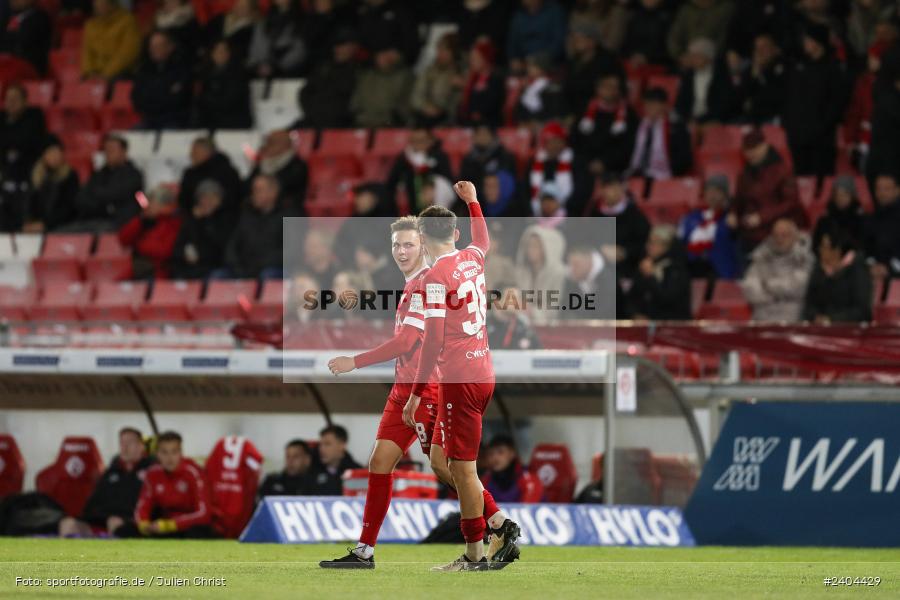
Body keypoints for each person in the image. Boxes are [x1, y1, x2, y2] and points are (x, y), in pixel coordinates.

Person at [321, 215, 509, 568]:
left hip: (425, 391)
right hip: (403, 389)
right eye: (396, 245)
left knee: (448, 467)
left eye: (409, 244)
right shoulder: (416, 283)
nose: (401, 251)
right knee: (380, 462)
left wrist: (354, 361)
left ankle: (497, 522)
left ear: (423, 244)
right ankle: (365, 551)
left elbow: (407, 341)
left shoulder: (428, 283)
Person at [406, 182, 522, 570]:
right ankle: (498, 523)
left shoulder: (434, 277)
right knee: (441, 462)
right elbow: (483, 239)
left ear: (422, 240)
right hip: (481, 370)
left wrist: (416, 392)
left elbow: (433, 339)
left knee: (464, 470)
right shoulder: (472, 258)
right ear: (455, 234)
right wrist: (473, 202)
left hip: (459, 379)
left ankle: (476, 554)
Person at [58, 427, 154, 538]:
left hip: (130, 521)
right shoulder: (111, 472)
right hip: (102, 519)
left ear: (141, 446)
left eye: (130, 442)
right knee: (67, 523)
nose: (124, 447)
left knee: (114, 522)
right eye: (122, 443)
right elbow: (93, 502)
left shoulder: (151, 471)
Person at [782, 22, 845, 178]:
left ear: (818, 42)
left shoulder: (832, 69)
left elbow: (836, 104)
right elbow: (789, 98)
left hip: (821, 141)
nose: (805, 43)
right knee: (801, 181)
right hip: (798, 138)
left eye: (809, 39)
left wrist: (821, 127)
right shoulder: (798, 66)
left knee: (821, 182)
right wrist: (789, 124)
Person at [126, 431, 215, 538]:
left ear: (181, 453)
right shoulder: (152, 474)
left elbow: (204, 514)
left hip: (188, 527)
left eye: (174, 452)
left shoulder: (193, 473)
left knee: (198, 533)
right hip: (163, 526)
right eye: (164, 452)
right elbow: (143, 506)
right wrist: (144, 524)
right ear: (157, 454)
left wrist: (171, 525)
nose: (170, 458)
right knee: (127, 529)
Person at [731, 128, 806, 253]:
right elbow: (738, 199)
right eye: (747, 149)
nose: (750, 153)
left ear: (765, 146)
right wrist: (733, 213)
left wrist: (762, 217)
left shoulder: (783, 170)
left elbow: (791, 202)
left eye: (754, 148)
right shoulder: (744, 174)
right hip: (749, 232)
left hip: (774, 231)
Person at [740, 218, 814, 323]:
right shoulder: (761, 256)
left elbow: (798, 288)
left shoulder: (804, 258)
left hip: (792, 319)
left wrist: (767, 285)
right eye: (776, 235)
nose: (779, 239)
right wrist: (778, 296)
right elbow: (750, 288)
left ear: (795, 236)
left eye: (784, 235)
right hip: (761, 317)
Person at [72, 134, 144, 231]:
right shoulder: (98, 174)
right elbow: (81, 197)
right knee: (63, 232)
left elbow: (117, 194)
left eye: (112, 149)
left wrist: (97, 196)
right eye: (106, 150)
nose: (108, 153)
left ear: (124, 152)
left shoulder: (133, 175)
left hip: (120, 223)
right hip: (92, 220)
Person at [586, 172, 651, 278]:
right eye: (604, 188)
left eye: (611, 187)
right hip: (598, 265)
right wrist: (601, 249)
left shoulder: (634, 214)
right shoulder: (594, 212)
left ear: (622, 188)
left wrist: (624, 252)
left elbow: (644, 243)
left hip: (627, 267)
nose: (607, 192)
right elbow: (586, 238)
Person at [572, 72, 637, 177]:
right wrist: (587, 162)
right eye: (607, 86)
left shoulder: (629, 114)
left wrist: (605, 162)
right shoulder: (584, 109)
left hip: (614, 169)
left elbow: (628, 146)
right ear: (598, 89)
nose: (611, 90)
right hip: (584, 166)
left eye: (615, 87)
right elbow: (575, 139)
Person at [803, 227, 873, 324]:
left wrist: (831, 319)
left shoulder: (857, 269)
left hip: (849, 328)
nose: (820, 250)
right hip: (820, 327)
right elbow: (809, 304)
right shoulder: (819, 270)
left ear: (837, 250)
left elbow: (862, 311)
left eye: (825, 247)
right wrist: (815, 316)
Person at [170, 180, 237, 280]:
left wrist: (206, 220)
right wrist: (184, 254)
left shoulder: (226, 220)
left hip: (215, 268)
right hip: (190, 269)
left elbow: (221, 248)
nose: (208, 201)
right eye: (204, 197)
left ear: (219, 200)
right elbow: (178, 248)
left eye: (212, 197)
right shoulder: (190, 220)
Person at [223, 174, 285, 280]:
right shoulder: (246, 216)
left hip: (272, 269)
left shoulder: (289, 215)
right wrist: (237, 266)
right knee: (218, 277)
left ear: (273, 192)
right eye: (253, 190)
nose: (254, 194)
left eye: (259, 190)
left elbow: (289, 252)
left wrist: (259, 265)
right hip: (243, 269)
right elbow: (232, 246)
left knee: (267, 275)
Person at [678, 174, 740, 279]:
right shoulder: (691, 217)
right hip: (691, 268)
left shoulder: (730, 217)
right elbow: (680, 242)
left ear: (725, 195)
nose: (712, 195)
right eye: (709, 191)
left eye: (717, 191)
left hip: (720, 271)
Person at [297, 27, 359, 129]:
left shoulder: (359, 71)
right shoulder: (323, 68)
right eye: (338, 45)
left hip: (342, 124)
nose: (339, 49)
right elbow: (306, 92)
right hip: (314, 120)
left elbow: (354, 102)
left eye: (344, 45)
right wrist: (314, 113)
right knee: (280, 135)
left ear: (354, 48)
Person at [627, 224, 692, 320]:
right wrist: (635, 314)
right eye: (649, 242)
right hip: (643, 323)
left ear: (667, 246)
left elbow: (668, 299)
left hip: (672, 322)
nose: (649, 247)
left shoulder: (676, 270)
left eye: (656, 243)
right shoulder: (645, 265)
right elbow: (632, 298)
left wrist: (650, 276)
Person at [131, 30, 192, 130]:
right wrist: (164, 95)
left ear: (170, 47)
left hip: (174, 120)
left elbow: (179, 100)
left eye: (159, 46)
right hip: (148, 120)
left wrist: (153, 98)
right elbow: (137, 98)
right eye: (152, 46)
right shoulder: (144, 70)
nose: (154, 50)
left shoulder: (181, 69)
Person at [626, 87, 692, 180]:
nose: (649, 107)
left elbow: (684, 159)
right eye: (647, 104)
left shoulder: (677, 128)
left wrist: (671, 172)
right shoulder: (638, 125)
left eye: (653, 104)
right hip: (637, 174)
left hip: (665, 176)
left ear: (664, 105)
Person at [117, 185, 182, 280]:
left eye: (152, 202)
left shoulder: (173, 223)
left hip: (158, 272)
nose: (148, 205)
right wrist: (141, 220)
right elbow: (124, 239)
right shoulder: (144, 221)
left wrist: (140, 246)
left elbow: (163, 251)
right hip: (138, 269)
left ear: (165, 205)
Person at [386, 126, 453, 214]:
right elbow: (392, 183)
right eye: (414, 141)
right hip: (410, 201)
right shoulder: (403, 158)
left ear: (430, 141)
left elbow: (448, 180)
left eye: (421, 140)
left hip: (434, 200)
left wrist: (435, 188)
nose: (418, 144)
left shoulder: (439, 157)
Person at [564, 21, 623, 118]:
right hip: (573, 111)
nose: (575, 42)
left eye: (579, 39)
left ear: (592, 41)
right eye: (574, 38)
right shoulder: (574, 60)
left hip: (598, 113)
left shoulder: (607, 61)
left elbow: (612, 90)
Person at [673, 37, 736, 126]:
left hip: (712, 121)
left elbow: (722, 106)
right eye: (691, 56)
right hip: (689, 120)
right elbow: (681, 103)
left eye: (696, 56)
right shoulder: (688, 76)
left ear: (708, 58)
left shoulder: (721, 77)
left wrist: (701, 121)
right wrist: (688, 119)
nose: (692, 59)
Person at [23, 136, 80, 233]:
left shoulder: (70, 176)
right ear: (43, 155)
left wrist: (45, 224)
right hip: (37, 228)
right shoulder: (36, 176)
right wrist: (29, 222)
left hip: (63, 227)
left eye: (57, 152)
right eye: (50, 152)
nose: (54, 156)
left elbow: (68, 207)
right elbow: (30, 204)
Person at [195, 40, 253, 130]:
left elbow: (229, 101)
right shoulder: (206, 72)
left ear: (229, 53)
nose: (221, 54)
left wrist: (205, 100)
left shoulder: (238, 73)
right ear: (212, 54)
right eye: (218, 51)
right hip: (211, 120)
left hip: (234, 121)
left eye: (224, 50)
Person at [514, 224, 566, 325]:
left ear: (548, 248)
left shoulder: (558, 273)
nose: (530, 250)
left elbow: (553, 309)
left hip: (552, 327)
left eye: (536, 246)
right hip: (522, 324)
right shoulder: (521, 272)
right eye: (528, 245)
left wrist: (531, 311)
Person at [246, 130, 308, 214]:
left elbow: (287, 189)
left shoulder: (297, 166)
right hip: (259, 212)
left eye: (271, 142)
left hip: (285, 212)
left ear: (284, 145)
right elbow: (248, 186)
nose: (266, 146)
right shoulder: (261, 164)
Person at [349, 47, 413, 128]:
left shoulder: (405, 77)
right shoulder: (367, 76)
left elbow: (404, 106)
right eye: (380, 54)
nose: (383, 58)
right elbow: (355, 102)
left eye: (387, 54)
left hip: (390, 123)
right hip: (363, 122)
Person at [732, 33, 788, 125]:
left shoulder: (782, 68)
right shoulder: (751, 70)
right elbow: (740, 98)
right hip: (750, 119)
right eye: (757, 48)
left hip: (773, 119)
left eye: (764, 47)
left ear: (774, 49)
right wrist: (755, 73)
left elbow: (774, 97)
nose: (759, 51)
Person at [178, 138, 242, 217]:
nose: (191, 155)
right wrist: (192, 211)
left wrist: (216, 207)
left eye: (195, 152)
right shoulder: (190, 174)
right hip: (195, 220)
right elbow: (183, 201)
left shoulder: (228, 173)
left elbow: (235, 198)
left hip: (225, 220)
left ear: (207, 152)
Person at [411, 32, 463, 127]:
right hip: (426, 118)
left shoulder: (461, 72)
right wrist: (426, 107)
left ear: (454, 53)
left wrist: (463, 86)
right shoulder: (429, 71)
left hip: (450, 122)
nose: (440, 54)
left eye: (445, 50)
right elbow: (416, 97)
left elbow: (458, 103)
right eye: (439, 49)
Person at [81, 0, 141, 81]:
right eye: (96, 5)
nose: (98, 8)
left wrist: (106, 74)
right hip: (95, 73)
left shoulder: (127, 21)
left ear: (112, 5)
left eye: (102, 5)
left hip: (119, 73)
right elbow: (87, 53)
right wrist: (89, 72)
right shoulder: (90, 25)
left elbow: (127, 53)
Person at [0, 83, 46, 188]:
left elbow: (29, 141)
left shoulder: (35, 115)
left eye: (15, 99)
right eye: (8, 99)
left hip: (28, 162)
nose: (11, 102)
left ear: (25, 101)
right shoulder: (1, 117)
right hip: (4, 162)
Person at [246, 0, 305, 78]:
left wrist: (277, 66)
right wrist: (259, 65)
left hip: (288, 71)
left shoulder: (301, 20)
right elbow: (255, 49)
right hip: (260, 69)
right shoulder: (263, 23)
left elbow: (299, 50)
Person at [528, 121, 576, 217]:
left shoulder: (574, 163)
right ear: (544, 144)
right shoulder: (534, 163)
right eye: (551, 141)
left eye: (558, 141)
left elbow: (579, 193)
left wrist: (560, 206)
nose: (555, 145)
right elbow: (527, 191)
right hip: (539, 213)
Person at [666, 0, 735, 65]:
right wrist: (681, 55)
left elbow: (726, 35)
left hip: (717, 60)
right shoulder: (686, 10)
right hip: (687, 59)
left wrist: (712, 56)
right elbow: (675, 36)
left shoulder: (726, 8)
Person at [480, 434, 543, 503]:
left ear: (512, 453)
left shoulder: (527, 478)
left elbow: (528, 507)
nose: (495, 458)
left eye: (500, 452)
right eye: (491, 454)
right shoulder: (486, 479)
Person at [562, 244, 619, 320]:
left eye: (576, 264)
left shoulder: (610, 281)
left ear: (589, 262)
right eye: (570, 264)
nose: (571, 269)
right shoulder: (571, 283)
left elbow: (604, 312)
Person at [506, 0, 567, 69]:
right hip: (524, 65)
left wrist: (539, 60)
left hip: (550, 64)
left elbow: (559, 43)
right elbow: (512, 44)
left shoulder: (554, 11)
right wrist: (514, 59)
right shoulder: (518, 16)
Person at [812, 175, 867, 252]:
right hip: (828, 257)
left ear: (852, 196)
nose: (840, 198)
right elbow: (816, 245)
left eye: (844, 194)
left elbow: (863, 246)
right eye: (837, 194)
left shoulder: (860, 219)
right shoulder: (825, 219)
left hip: (853, 257)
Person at [458, 40, 505, 126]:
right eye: (471, 58)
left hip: (489, 123)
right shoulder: (473, 79)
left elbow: (494, 102)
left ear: (485, 58)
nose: (471, 61)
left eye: (475, 58)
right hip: (470, 122)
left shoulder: (496, 79)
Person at [458, 125, 517, 193]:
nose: (482, 137)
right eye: (479, 134)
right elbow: (463, 183)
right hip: (475, 196)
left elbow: (509, 181)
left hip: (500, 195)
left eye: (485, 134)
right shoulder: (468, 159)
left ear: (492, 136)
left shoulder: (504, 156)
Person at [864, 173, 900, 280]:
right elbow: (866, 247)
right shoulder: (871, 218)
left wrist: (889, 268)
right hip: (874, 273)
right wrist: (872, 265)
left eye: (887, 189)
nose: (882, 193)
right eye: (878, 189)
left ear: (897, 190)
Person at [1, 0, 52, 75]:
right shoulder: (7, 17)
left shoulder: (40, 18)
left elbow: (23, 42)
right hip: (7, 63)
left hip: (28, 67)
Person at [514, 52, 566, 126]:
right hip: (527, 125)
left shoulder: (550, 86)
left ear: (542, 68)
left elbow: (554, 111)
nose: (528, 68)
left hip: (544, 125)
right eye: (528, 66)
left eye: (532, 66)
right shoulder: (527, 86)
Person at [309, 425, 361, 496]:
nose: (321, 449)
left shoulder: (357, 472)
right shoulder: (312, 472)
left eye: (327, 444)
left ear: (342, 445)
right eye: (320, 444)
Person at [203, 0, 258, 65]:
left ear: (251, 9)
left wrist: (224, 53)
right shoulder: (221, 18)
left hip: (233, 63)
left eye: (244, 7)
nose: (240, 8)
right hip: (209, 57)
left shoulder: (252, 28)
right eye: (238, 5)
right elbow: (206, 34)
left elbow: (245, 50)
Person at [622, 0, 674, 69]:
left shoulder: (669, 16)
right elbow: (625, 41)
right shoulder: (633, 13)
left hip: (659, 65)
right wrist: (633, 55)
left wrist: (647, 56)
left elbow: (669, 46)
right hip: (630, 62)